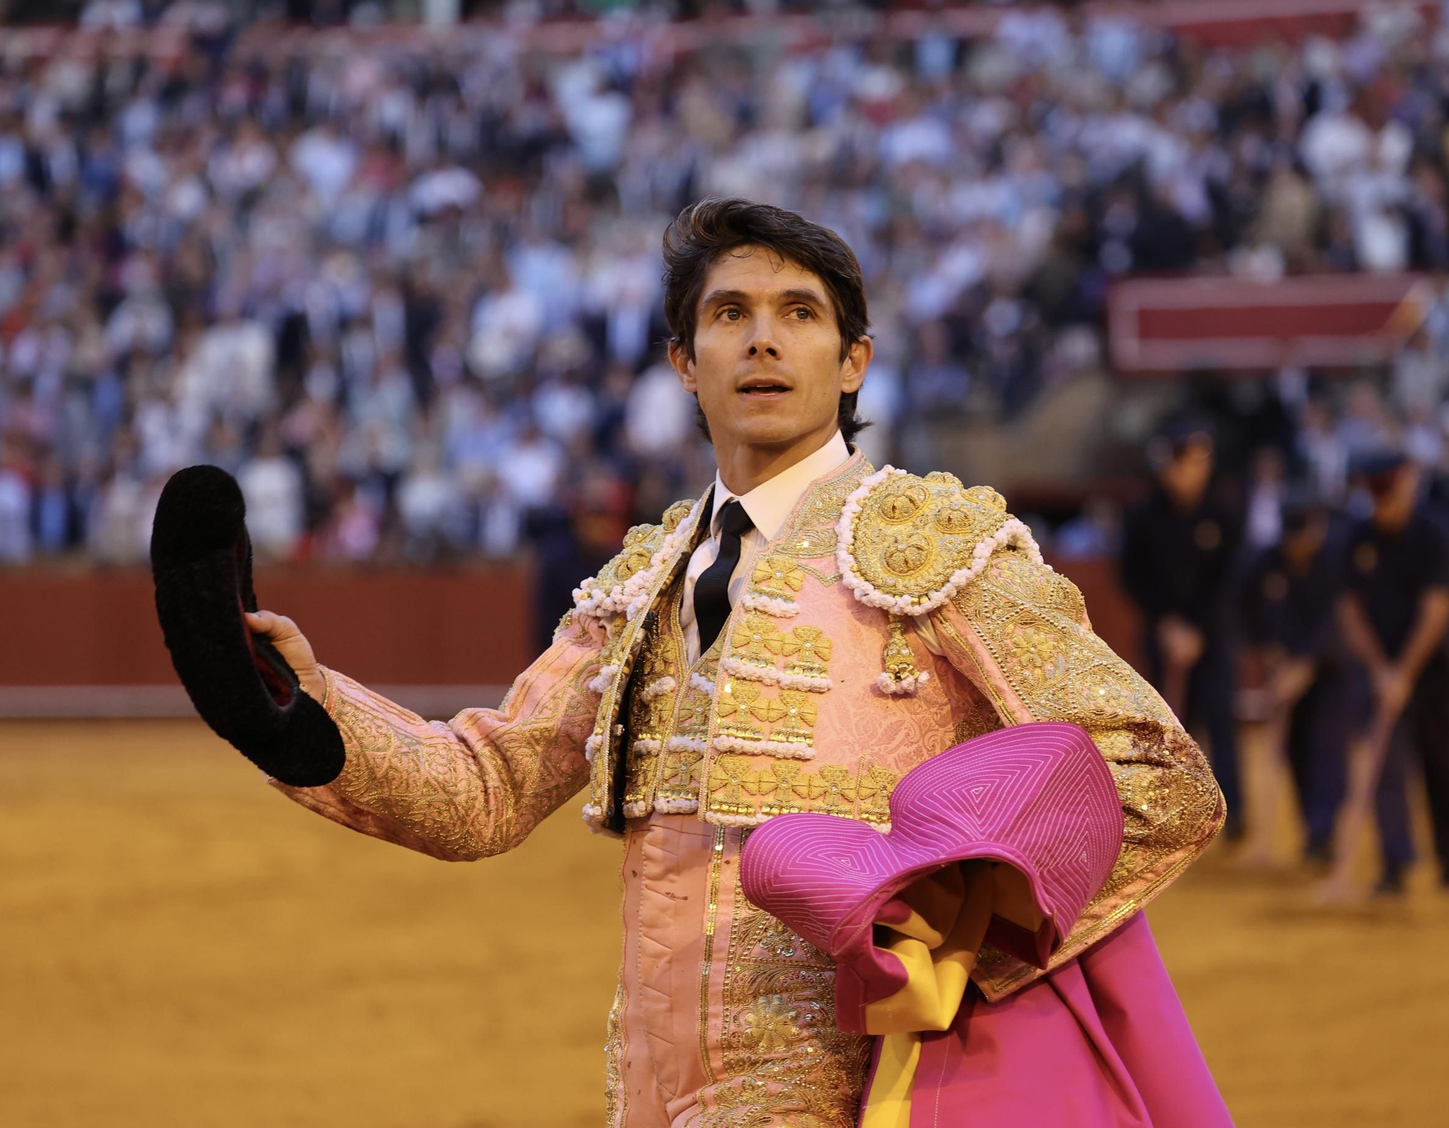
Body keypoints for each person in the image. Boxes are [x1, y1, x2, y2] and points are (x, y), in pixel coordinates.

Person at [234, 200, 1229, 1125]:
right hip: (653, 1089)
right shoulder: (640, 580)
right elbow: (485, 785)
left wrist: (950, 939)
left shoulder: (934, 547)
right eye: (730, 313)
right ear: (683, 360)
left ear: (852, 362)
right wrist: (291, 706)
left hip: (864, 1090)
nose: (762, 337)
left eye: (799, 312)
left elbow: (1156, 781)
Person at [1334, 450, 1449, 895]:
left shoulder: (1436, 534)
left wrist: (1404, 672)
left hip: (1434, 672)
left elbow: (1437, 611)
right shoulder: (1357, 538)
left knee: (1442, 767)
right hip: (1380, 669)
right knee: (1385, 765)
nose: (1383, 507)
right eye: (1376, 497)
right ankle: (1395, 864)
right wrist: (1379, 669)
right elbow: (1349, 609)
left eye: (1389, 495)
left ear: (1409, 484)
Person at [1119, 418, 1247, 836]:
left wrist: (1197, 629)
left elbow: (1229, 578)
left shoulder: (1223, 513)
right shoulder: (1143, 515)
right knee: (1170, 725)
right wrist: (1168, 624)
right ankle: (1177, 812)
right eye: (1188, 462)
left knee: (1220, 718)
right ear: (1170, 466)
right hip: (1163, 635)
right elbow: (1131, 576)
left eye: (1201, 462)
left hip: (1213, 636)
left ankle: (1232, 813)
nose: (1195, 471)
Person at [1238, 492, 1354, 866]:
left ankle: (1324, 832)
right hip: (1285, 669)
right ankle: (1314, 831)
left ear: (1317, 532)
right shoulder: (1267, 562)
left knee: (1327, 749)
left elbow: (1336, 621)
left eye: (1302, 538)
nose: (1296, 547)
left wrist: (1306, 665)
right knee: (1297, 751)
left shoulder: (1337, 560)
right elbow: (1245, 609)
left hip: (1332, 671)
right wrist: (1269, 649)